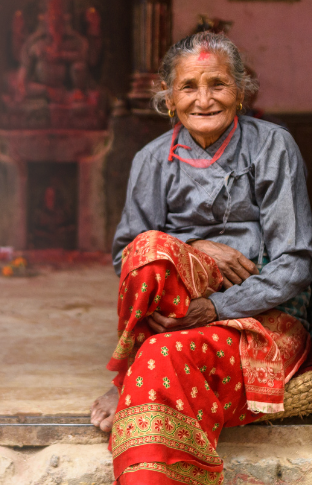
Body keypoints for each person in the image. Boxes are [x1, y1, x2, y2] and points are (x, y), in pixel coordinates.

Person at [90, 32, 312, 484]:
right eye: (189, 86)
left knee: (160, 357)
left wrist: (214, 307)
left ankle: (132, 380)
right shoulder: (152, 158)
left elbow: (295, 261)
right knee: (149, 251)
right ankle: (138, 373)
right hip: (176, 310)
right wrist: (194, 252)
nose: (204, 99)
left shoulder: (271, 146)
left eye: (218, 84)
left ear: (241, 91)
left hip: (259, 317)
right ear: (169, 97)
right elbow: (126, 258)